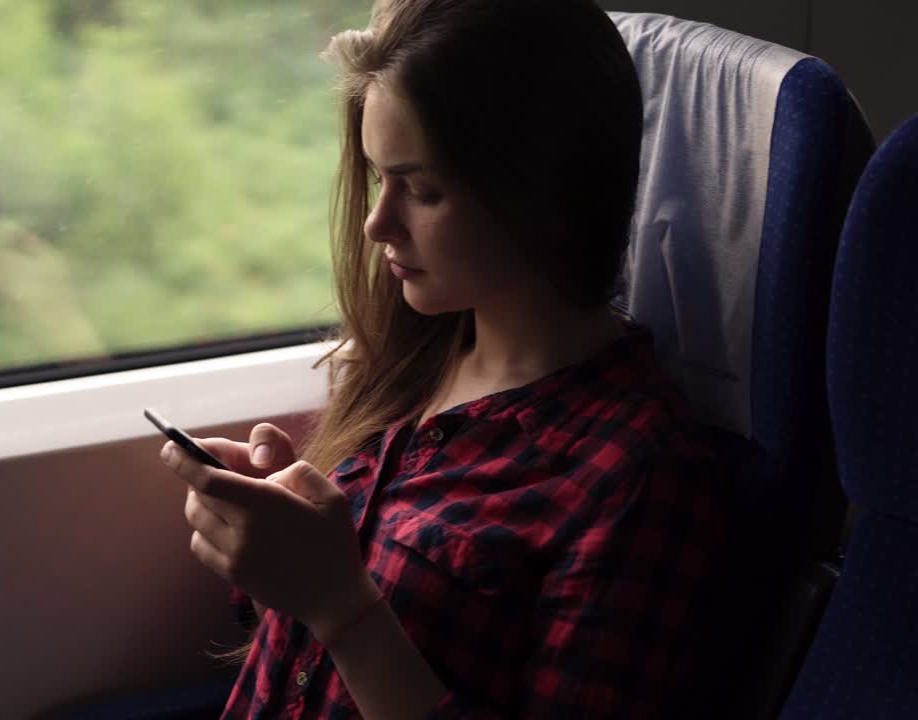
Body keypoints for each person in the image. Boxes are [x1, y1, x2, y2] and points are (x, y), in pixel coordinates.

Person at [157, 0, 726, 717]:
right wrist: (276, 536)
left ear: (545, 194)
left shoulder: (636, 475)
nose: (377, 223)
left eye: (422, 190)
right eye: (376, 179)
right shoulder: (414, 363)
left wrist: (342, 607)